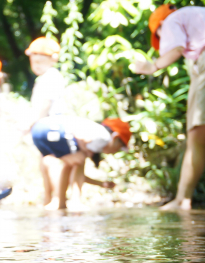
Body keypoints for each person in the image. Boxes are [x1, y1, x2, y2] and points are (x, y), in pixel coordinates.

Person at [132, 4, 205, 210]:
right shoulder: (204, 14)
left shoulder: (171, 20)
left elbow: (177, 48)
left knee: (197, 137)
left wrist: (152, 66)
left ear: (159, 27)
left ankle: (182, 200)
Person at [31, 116, 131, 210]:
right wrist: (83, 149)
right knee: (80, 159)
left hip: (38, 130)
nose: (116, 151)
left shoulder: (96, 135)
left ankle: (59, 202)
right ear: (115, 138)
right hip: (53, 129)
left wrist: (101, 184)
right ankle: (75, 202)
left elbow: (75, 175)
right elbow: (80, 136)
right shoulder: (103, 137)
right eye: (119, 147)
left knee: (71, 164)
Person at [25, 37, 68, 208]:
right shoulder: (43, 78)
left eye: (40, 62)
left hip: (51, 124)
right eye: (34, 62)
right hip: (43, 126)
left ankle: (58, 199)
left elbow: (45, 104)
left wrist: (29, 124)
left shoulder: (51, 76)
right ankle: (49, 198)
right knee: (44, 162)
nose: (36, 66)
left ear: (53, 60)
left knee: (50, 161)